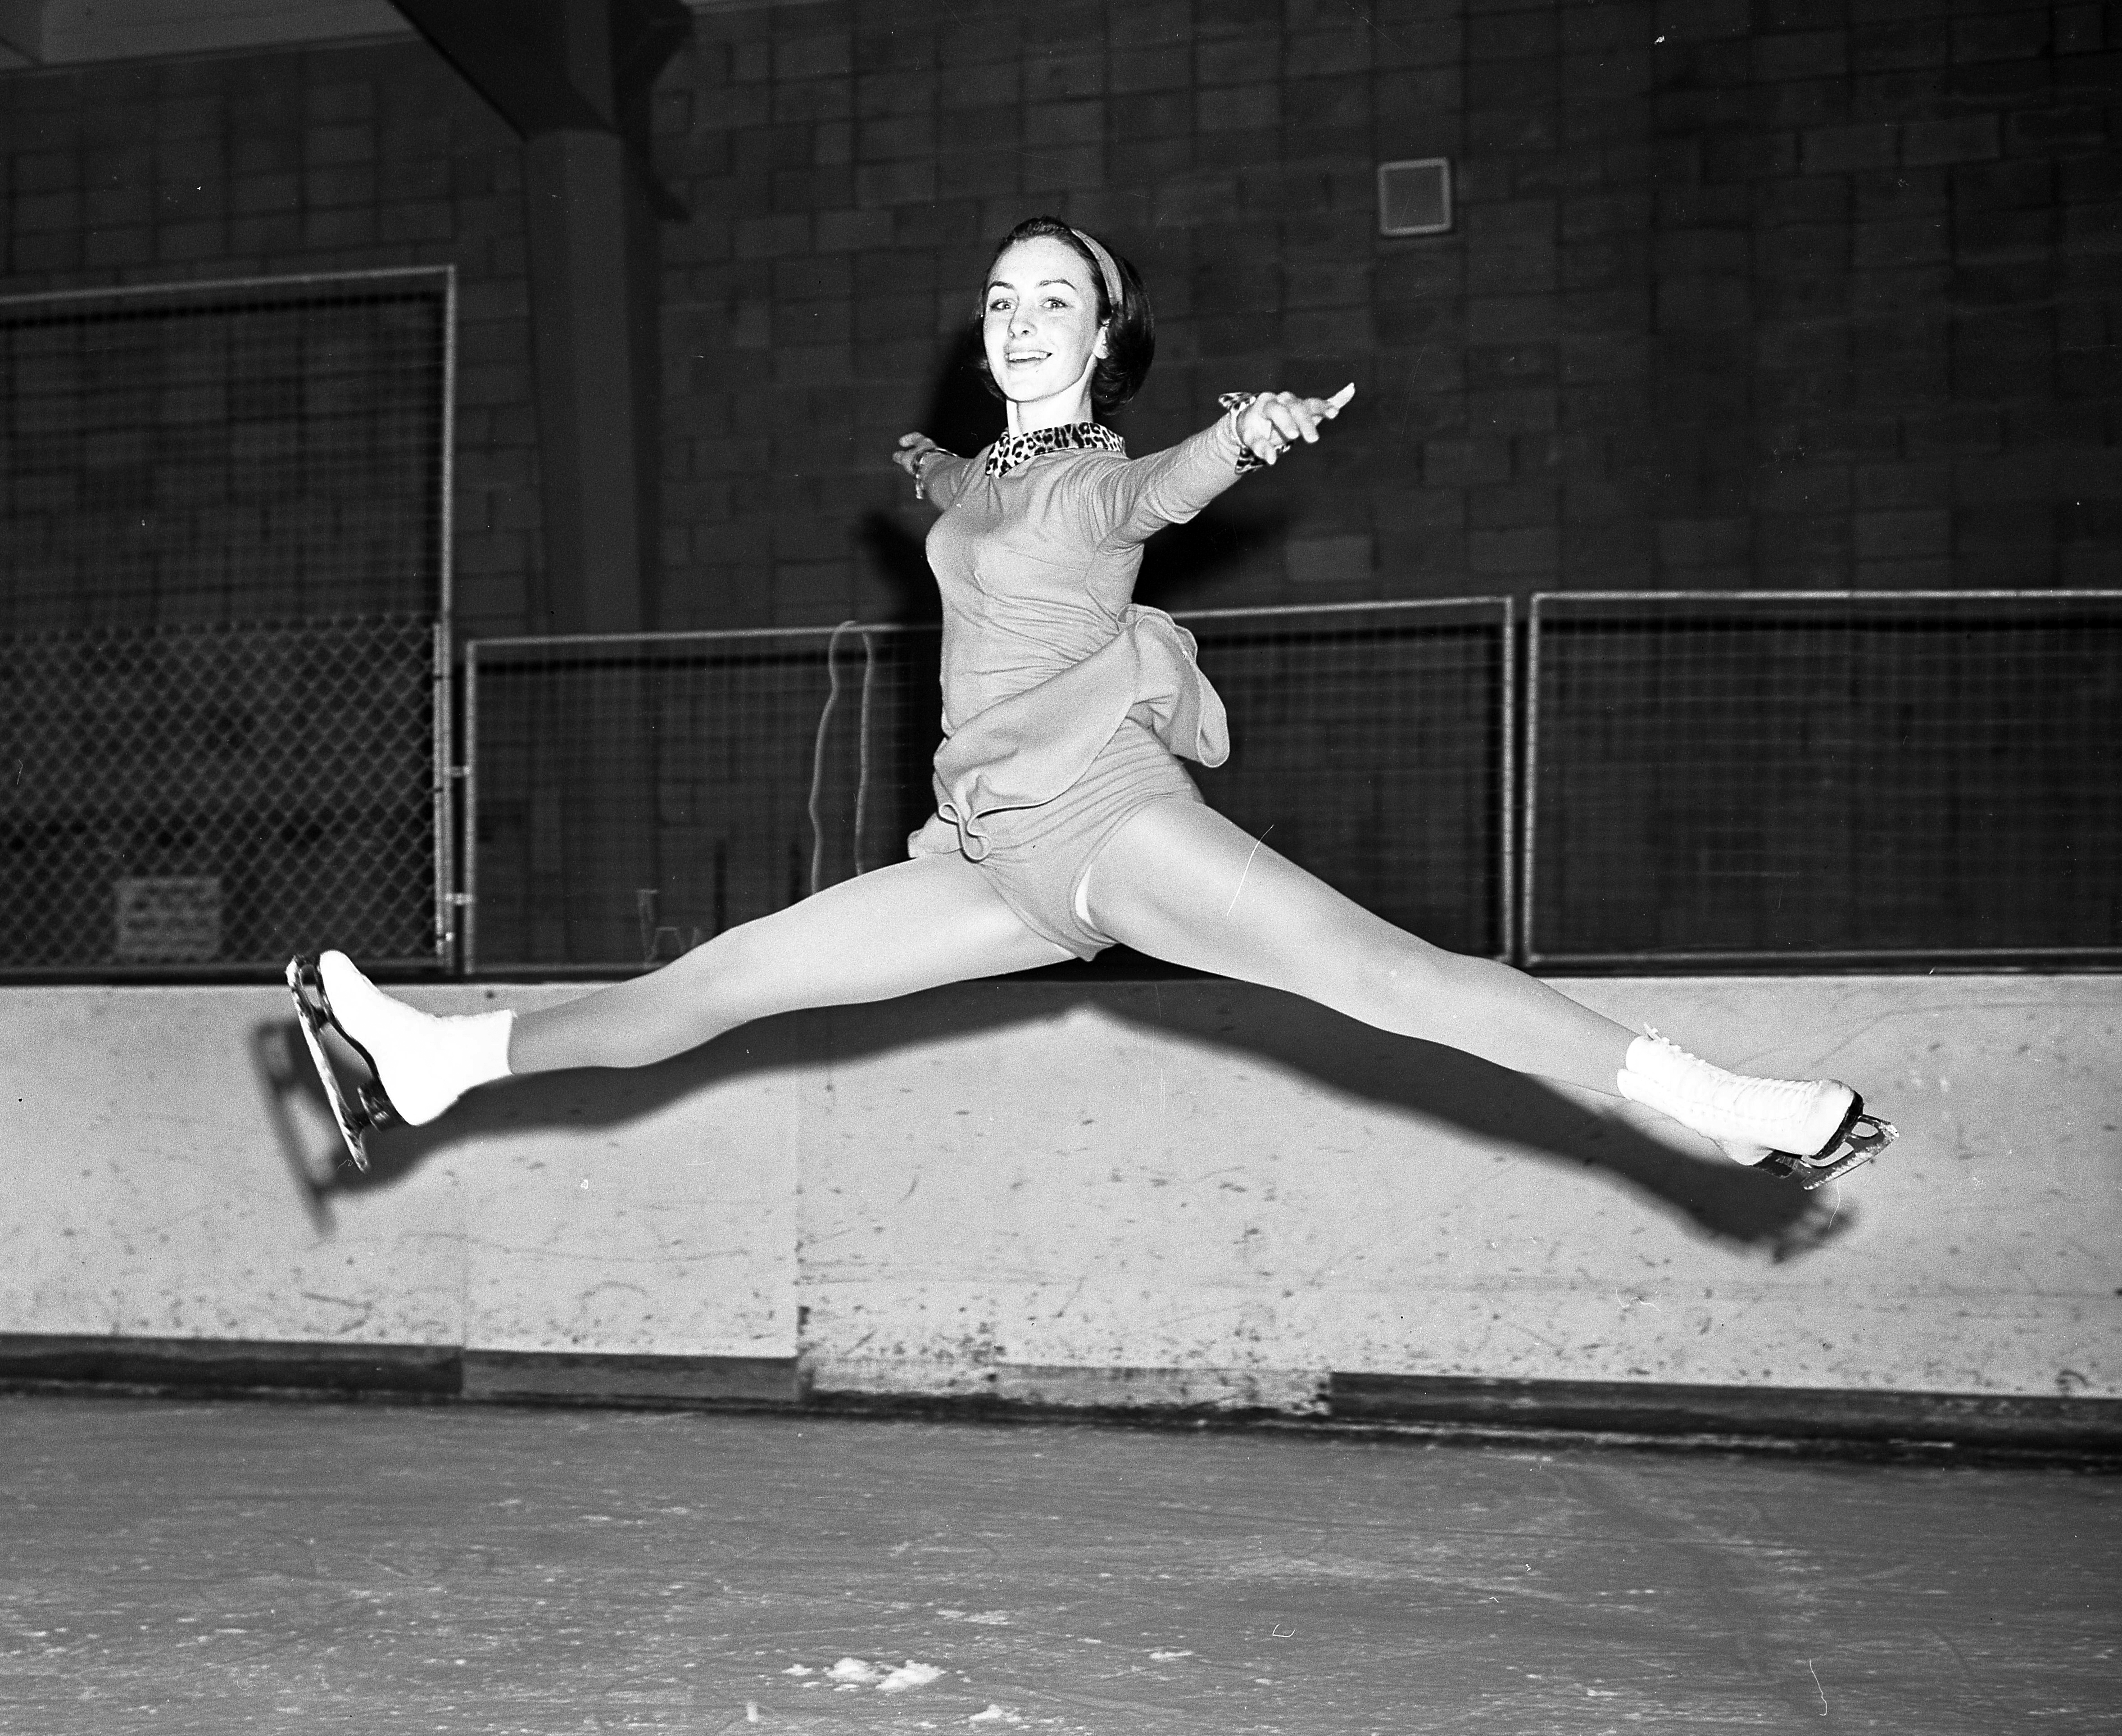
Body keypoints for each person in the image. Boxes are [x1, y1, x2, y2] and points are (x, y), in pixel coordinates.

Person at [293, 216, 1894, 1190]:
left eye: (1051, 299)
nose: (1015, 316)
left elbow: (1171, 484)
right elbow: (958, 492)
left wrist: (1247, 437)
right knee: (719, 984)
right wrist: (927, 465)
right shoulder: (981, 481)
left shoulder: (1109, 479)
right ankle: (445, 1065)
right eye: (1000, 296)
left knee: (1384, 976)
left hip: (1107, 819)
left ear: (1103, 336)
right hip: (987, 858)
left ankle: (1726, 1106)